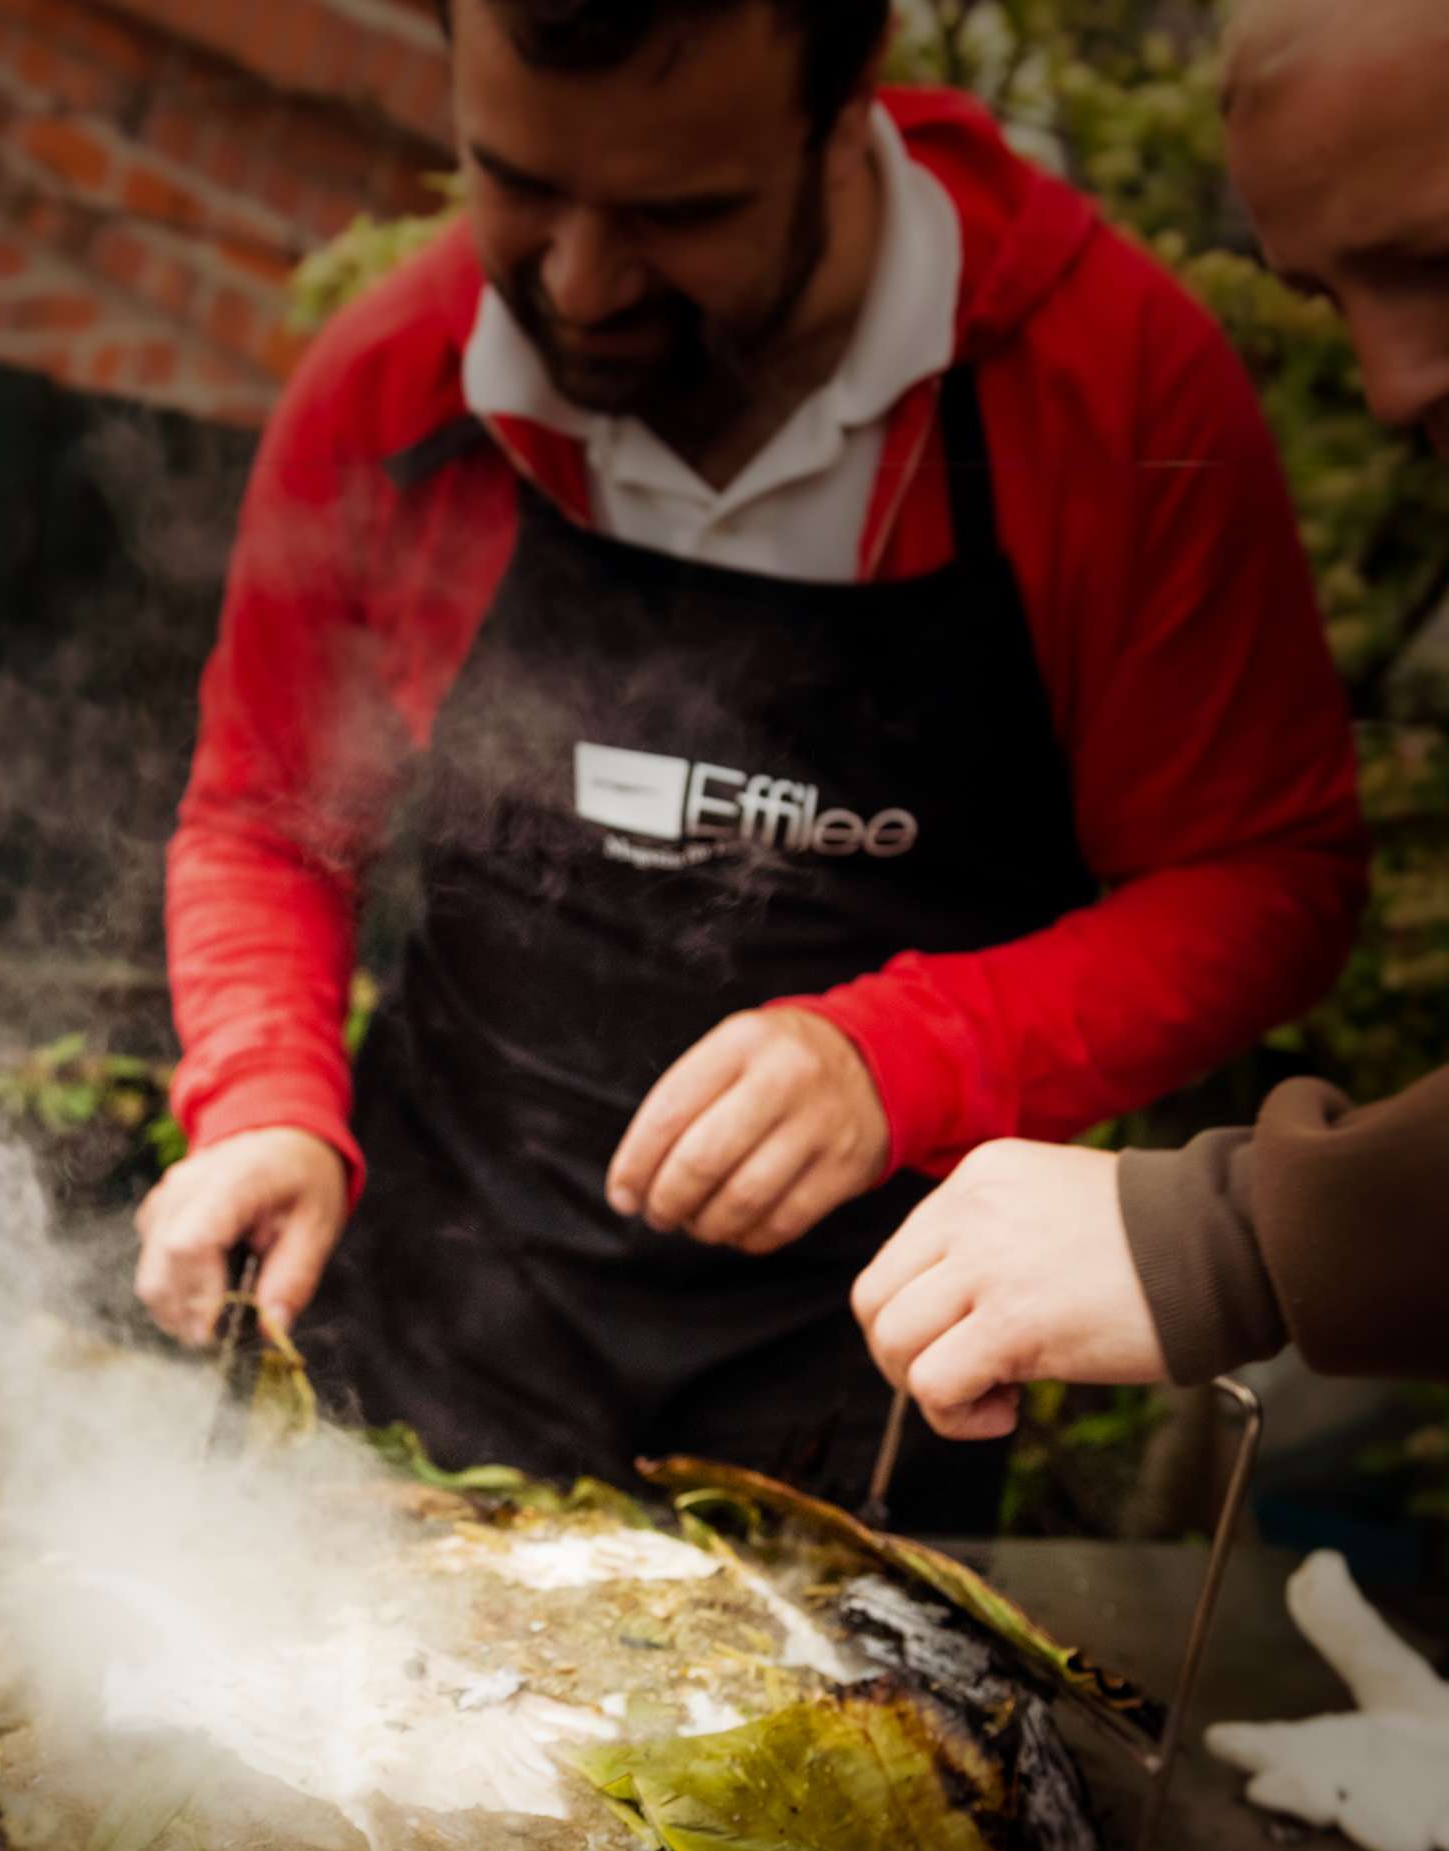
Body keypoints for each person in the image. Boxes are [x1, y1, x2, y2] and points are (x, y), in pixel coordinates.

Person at [135, 0, 1366, 1525]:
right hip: (428, 1352)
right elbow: (267, 820)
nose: (577, 284)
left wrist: (904, 1055)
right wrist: (262, 1096)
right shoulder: (395, 381)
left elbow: (1270, 883)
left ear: (850, 101)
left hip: (862, 1411)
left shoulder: (1115, 393)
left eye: (679, 211)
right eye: (515, 182)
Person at [853, 0, 1449, 1443]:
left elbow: (1272, 874)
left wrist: (1236, 1230)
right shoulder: (426, 355)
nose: (1391, 382)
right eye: (1326, 299)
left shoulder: (1110, 374)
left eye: (1438, 262)